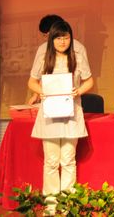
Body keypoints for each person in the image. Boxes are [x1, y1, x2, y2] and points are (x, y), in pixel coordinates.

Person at [27, 20, 94, 207]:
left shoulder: (77, 57)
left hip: (71, 115)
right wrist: (41, 91)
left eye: (65, 37)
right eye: (58, 38)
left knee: (68, 159)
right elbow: (31, 82)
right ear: (51, 39)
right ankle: (51, 202)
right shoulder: (44, 57)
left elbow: (89, 81)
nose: (62, 41)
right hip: (50, 115)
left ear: (71, 38)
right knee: (51, 160)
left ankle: (66, 203)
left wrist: (78, 91)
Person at [29, 14, 89, 105]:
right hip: (49, 101)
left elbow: (85, 78)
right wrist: (36, 94)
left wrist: (77, 92)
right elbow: (37, 77)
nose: (47, 38)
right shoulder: (42, 49)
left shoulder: (78, 49)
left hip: (70, 100)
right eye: (44, 35)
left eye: (48, 35)